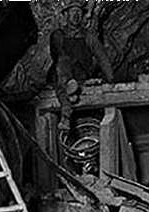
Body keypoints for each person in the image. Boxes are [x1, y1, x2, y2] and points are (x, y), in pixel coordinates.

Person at [47, 1, 114, 134]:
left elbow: (102, 58)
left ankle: (67, 108)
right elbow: (57, 54)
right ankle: (70, 92)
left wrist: (110, 80)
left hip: (80, 75)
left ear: (82, 15)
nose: (76, 15)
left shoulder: (89, 37)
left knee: (67, 73)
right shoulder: (57, 35)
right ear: (66, 14)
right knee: (63, 62)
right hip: (62, 73)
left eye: (79, 12)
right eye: (72, 11)